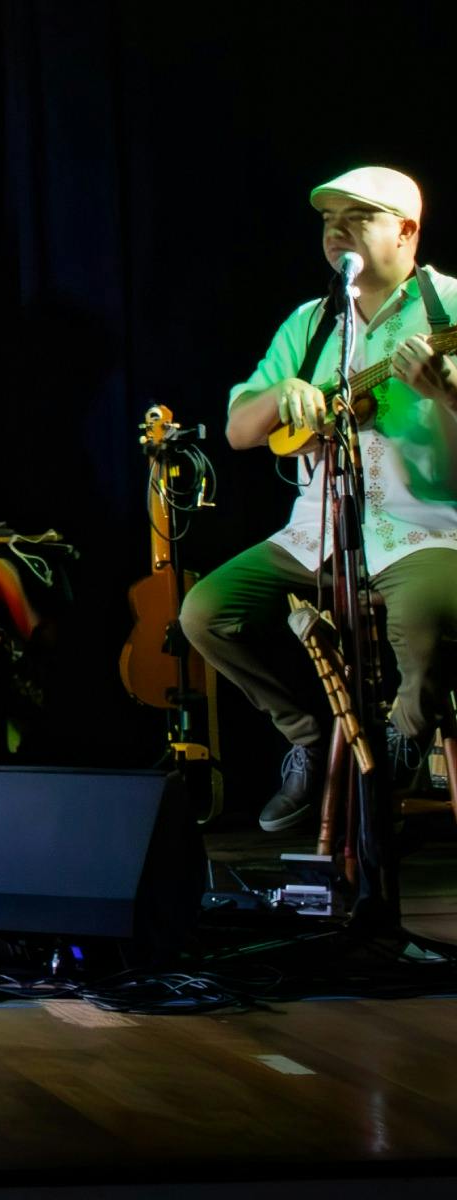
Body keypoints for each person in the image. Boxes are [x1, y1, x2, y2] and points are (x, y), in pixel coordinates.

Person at [181, 166, 457, 833]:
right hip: (318, 529)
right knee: (204, 614)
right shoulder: (313, 324)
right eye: (327, 220)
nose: (336, 232)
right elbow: (241, 429)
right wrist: (285, 396)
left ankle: (401, 748)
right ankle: (308, 739)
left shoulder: (448, 308)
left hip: (426, 527)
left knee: (421, 615)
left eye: (355, 217)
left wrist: (446, 389)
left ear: (406, 230)